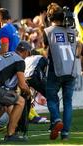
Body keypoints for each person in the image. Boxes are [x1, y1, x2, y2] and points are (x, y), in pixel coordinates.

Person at [44, 3, 77, 140]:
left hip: (56, 69)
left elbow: (47, 51)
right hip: (71, 69)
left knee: (52, 98)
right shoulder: (72, 30)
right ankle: (65, 134)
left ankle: (56, 119)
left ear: (49, 16)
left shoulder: (48, 31)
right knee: (68, 102)